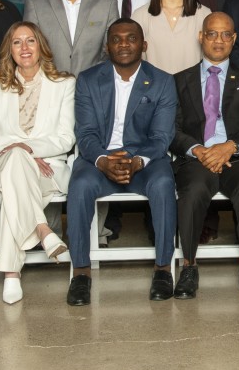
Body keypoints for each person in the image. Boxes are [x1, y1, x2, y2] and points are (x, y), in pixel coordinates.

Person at [65, 19, 179, 305]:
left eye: (131, 38)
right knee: (80, 185)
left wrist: (137, 161)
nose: (124, 44)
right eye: (116, 39)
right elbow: (86, 133)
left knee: (164, 183)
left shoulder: (163, 81)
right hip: (101, 158)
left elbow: (162, 137)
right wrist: (102, 160)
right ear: (107, 46)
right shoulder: (88, 80)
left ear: (144, 45)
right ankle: (80, 272)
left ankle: (163, 268)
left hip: (144, 159)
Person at [170, 12, 239, 299]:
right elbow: (172, 129)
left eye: (226, 34)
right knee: (193, 190)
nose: (219, 40)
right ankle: (189, 266)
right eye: (212, 33)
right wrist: (199, 150)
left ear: (234, 39)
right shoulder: (180, 80)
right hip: (197, 158)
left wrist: (229, 147)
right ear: (201, 37)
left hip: (237, 156)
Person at [0, 22, 76, 304]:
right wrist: (18, 151)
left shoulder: (63, 84)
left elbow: (65, 138)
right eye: (17, 42)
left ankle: (12, 274)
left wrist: (26, 149)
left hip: (47, 170)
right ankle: (43, 230)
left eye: (30, 41)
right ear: (9, 49)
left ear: (40, 46)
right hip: (0, 167)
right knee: (14, 164)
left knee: (14, 182)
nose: (24, 48)